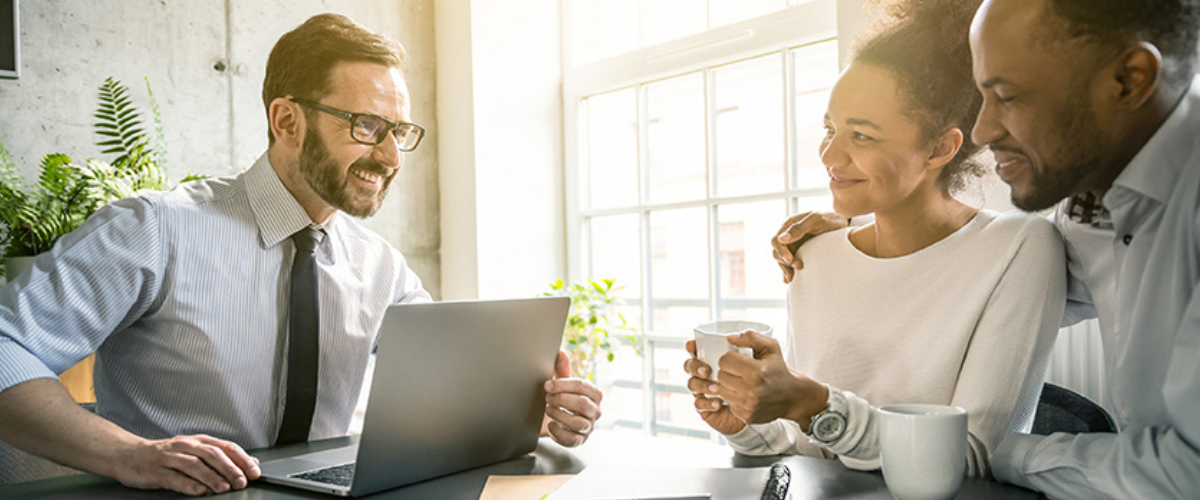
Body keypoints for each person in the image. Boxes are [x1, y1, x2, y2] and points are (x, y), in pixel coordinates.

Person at [0, 13, 601, 496]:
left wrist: (538, 413)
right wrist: (131, 455)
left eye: (401, 132)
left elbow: (454, 393)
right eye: (367, 126)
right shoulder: (154, 230)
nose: (391, 157)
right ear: (287, 120)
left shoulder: (381, 268)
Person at [776, 0, 1200, 496]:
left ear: (1129, 79)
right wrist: (864, 231)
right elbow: (978, 272)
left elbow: (1187, 473)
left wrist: (991, 452)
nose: (983, 130)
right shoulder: (1090, 216)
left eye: (1009, 96)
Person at [682, 0, 1066, 478]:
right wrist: (743, 418)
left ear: (939, 147)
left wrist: (811, 402)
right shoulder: (814, 255)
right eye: (829, 128)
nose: (829, 154)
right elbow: (807, 444)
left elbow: (971, 459)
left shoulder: (1019, 248)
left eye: (860, 136)